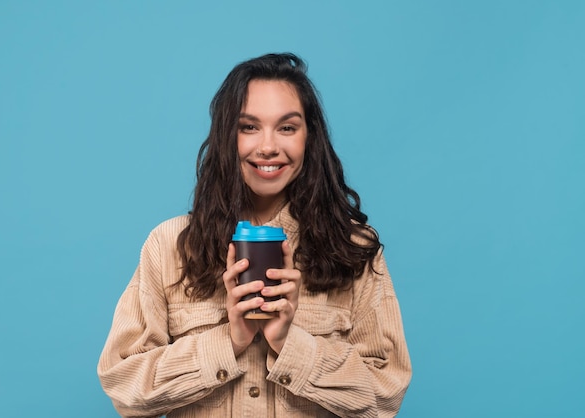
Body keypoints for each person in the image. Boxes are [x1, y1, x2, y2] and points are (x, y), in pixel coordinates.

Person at [97, 53, 411, 417]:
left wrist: (289, 343)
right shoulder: (169, 245)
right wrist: (229, 341)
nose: (267, 146)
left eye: (287, 128)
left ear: (310, 138)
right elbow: (124, 387)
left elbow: (386, 395)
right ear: (227, 136)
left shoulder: (352, 246)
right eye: (249, 127)